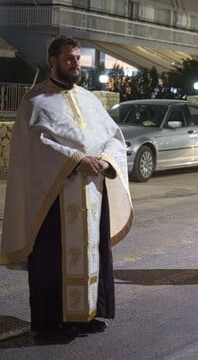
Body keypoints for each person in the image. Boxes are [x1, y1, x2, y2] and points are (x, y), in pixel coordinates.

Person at [0, 35, 133, 338]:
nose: (76, 64)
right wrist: (75, 160)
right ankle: (50, 325)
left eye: (78, 58)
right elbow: (36, 145)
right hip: (53, 197)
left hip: (92, 194)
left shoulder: (89, 99)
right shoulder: (34, 101)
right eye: (69, 59)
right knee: (52, 259)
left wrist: (107, 161)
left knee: (92, 253)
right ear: (53, 61)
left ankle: (86, 315)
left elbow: (113, 136)